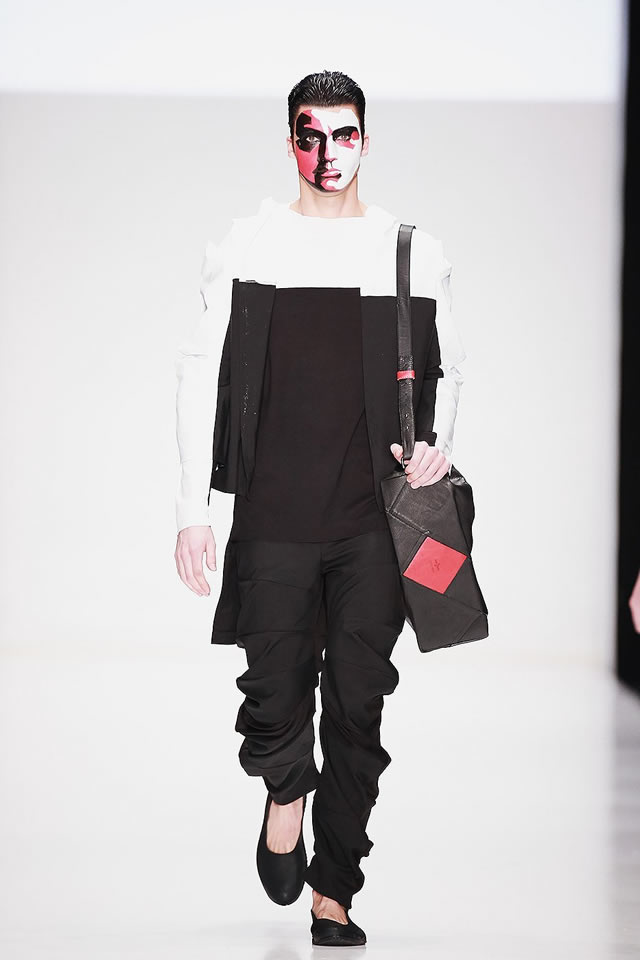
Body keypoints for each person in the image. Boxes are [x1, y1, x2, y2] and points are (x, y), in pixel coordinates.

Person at [174, 69, 466, 947]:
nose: (328, 152)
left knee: (357, 710)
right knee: (274, 697)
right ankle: (285, 793)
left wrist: (438, 443)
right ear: (290, 142)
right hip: (271, 517)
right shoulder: (248, 245)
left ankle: (334, 891)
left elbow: (448, 370)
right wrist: (193, 507)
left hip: (376, 524)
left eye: (343, 135)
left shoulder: (411, 251)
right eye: (311, 135)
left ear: (365, 140)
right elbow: (199, 372)